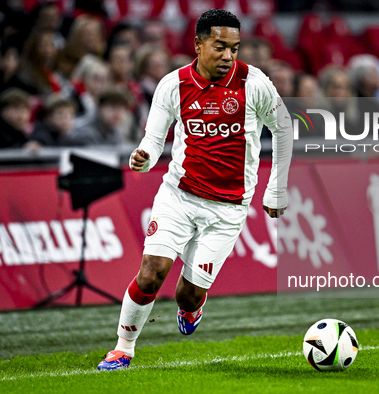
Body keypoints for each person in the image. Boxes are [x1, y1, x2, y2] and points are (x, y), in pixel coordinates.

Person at [97, 9, 292, 371]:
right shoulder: (173, 84)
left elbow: (284, 129)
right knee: (151, 273)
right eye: (220, 47)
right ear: (199, 44)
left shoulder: (254, 83)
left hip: (228, 209)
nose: (228, 56)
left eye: (234, 48)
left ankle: (192, 306)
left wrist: (275, 189)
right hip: (179, 196)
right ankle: (123, 348)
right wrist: (144, 156)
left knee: (187, 292)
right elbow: (154, 139)